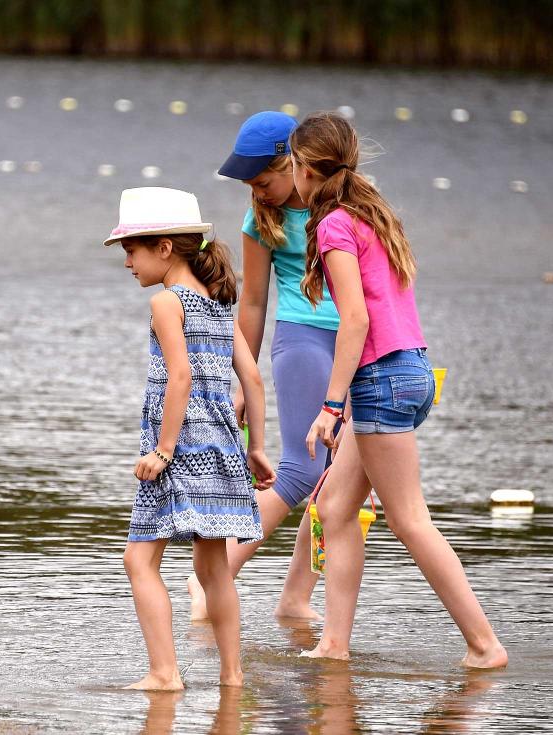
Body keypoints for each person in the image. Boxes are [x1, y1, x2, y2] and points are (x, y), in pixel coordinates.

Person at [288, 113, 507, 668]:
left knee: (408, 518)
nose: (291, 175)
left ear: (308, 169)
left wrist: (331, 406)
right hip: (412, 371)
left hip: (380, 378)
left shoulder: (337, 223)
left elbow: (355, 322)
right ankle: (334, 643)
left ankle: (485, 646)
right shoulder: (372, 214)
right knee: (335, 505)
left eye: (292, 165)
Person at [106, 187, 274, 690]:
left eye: (132, 251)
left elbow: (178, 378)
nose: (128, 263)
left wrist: (162, 450)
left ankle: (164, 673)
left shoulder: (166, 302)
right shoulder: (219, 305)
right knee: (212, 566)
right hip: (222, 447)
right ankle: (232, 675)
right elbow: (254, 380)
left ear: (164, 249)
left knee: (139, 558)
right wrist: (257, 447)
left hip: (178, 451)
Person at [188, 111, 337, 622]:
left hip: (362, 345)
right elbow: (252, 302)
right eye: (251, 183)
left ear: (295, 162)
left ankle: (297, 596)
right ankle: (214, 576)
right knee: (301, 470)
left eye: (264, 179)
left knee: (339, 485)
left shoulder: (343, 207)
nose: (260, 190)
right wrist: (243, 381)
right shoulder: (261, 219)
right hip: (301, 339)